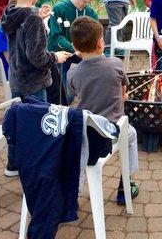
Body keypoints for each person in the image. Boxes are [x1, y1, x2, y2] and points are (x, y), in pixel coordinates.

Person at [1, 0, 71, 176]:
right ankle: (38, 166)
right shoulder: (31, 19)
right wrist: (56, 57)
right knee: (39, 124)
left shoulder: (10, 13)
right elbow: (37, 58)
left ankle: (13, 163)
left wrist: (38, 17)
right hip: (34, 82)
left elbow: (22, 42)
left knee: (17, 120)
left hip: (16, 79)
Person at [67, 16, 139, 205]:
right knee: (131, 136)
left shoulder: (72, 73)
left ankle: (73, 192)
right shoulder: (115, 64)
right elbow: (124, 93)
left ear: (75, 47)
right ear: (100, 43)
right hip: (112, 132)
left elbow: (75, 92)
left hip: (86, 132)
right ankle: (126, 185)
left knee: (80, 149)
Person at [47, 0, 100, 101]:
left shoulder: (91, 14)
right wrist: (74, 49)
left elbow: (95, 39)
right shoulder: (60, 8)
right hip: (61, 53)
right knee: (64, 97)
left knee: (100, 67)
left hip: (83, 54)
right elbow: (55, 37)